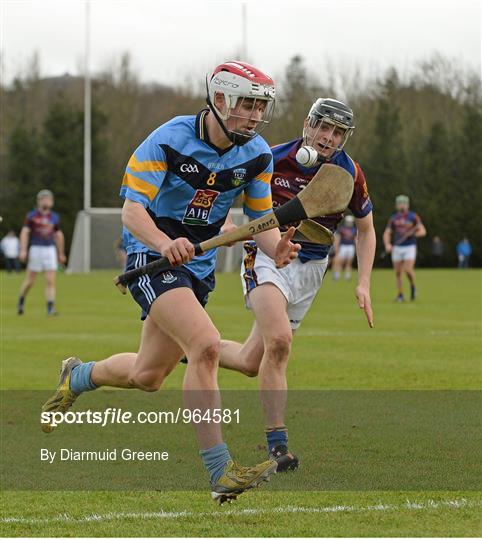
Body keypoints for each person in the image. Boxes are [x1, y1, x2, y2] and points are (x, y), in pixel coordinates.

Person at [41, 61, 300, 504]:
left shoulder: (256, 153)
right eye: (248, 104)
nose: (256, 115)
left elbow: (260, 220)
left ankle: (78, 375)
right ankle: (221, 472)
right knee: (206, 344)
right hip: (151, 254)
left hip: (197, 267)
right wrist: (165, 243)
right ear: (219, 100)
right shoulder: (167, 140)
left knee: (148, 375)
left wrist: (277, 248)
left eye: (261, 106)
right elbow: (131, 211)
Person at [217, 98, 376, 471]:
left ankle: (192, 347)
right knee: (280, 342)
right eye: (324, 128)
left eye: (338, 133)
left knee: (249, 362)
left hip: (312, 269)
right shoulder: (272, 157)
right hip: (268, 258)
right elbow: (229, 191)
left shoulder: (349, 172)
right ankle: (278, 446)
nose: (329, 138)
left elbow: (366, 229)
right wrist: (226, 223)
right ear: (308, 124)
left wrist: (364, 282)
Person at [17, 190, 66, 315]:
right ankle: (21, 300)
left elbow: (58, 235)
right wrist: (23, 250)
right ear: (39, 201)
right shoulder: (32, 216)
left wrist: (61, 253)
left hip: (50, 249)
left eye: (49, 199)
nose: (47, 201)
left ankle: (50, 308)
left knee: (50, 280)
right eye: (44, 199)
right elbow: (25, 232)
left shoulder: (54, 217)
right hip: (36, 249)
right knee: (30, 280)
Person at [382, 195, 426, 302]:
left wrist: (414, 235)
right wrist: (387, 244)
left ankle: (413, 286)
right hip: (397, 247)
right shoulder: (393, 218)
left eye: (404, 203)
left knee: (408, 270)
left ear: (407, 204)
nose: (402, 205)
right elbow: (387, 233)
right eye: (400, 203)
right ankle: (400, 295)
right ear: (397, 205)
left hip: (410, 247)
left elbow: (422, 231)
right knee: (398, 273)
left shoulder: (413, 217)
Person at [332, 214, 357, 281]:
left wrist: (357, 247)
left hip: (351, 246)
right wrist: (337, 247)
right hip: (343, 246)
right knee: (339, 262)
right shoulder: (342, 229)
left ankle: (347, 276)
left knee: (349, 262)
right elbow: (338, 238)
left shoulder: (354, 230)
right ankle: (336, 275)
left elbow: (355, 239)